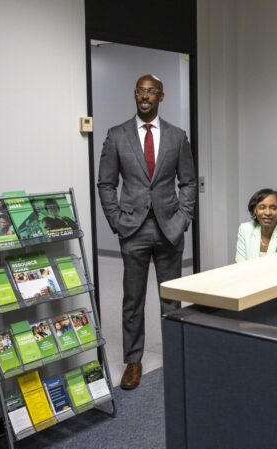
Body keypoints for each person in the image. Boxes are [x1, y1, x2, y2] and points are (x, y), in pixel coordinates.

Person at [97, 74, 196, 390]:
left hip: (169, 228)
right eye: (141, 90)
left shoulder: (178, 137)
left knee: (172, 299)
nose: (145, 96)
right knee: (132, 300)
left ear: (161, 97)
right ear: (134, 94)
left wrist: (183, 218)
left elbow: (189, 182)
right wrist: (116, 219)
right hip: (133, 229)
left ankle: (177, 355)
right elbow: (106, 183)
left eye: (152, 91)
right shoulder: (116, 136)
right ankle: (133, 361)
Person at [235, 188, 277, 262]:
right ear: (255, 210)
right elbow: (240, 264)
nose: (267, 213)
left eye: (273, 208)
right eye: (262, 207)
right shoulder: (245, 229)